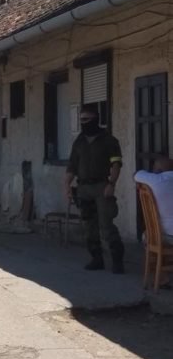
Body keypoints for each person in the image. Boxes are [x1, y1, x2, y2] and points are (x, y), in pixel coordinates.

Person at [65, 105, 125, 273]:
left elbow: (116, 164)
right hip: (83, 188)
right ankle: (96, 258)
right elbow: (71, 166)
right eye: (81, 119)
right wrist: (67, 186)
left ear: (95, 119)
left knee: (106, 226)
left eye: (86, 119)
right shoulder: (79, 141)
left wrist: (111, 184)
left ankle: (117, 261)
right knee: (89, 227)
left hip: (101, 187)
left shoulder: (109, 140)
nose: (83, 123)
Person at [134, 157, 173, 241]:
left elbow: (136, 174)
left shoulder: (156, 180)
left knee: (145, 235)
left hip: (167, 235)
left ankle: (158, 253)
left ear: (158, 171)